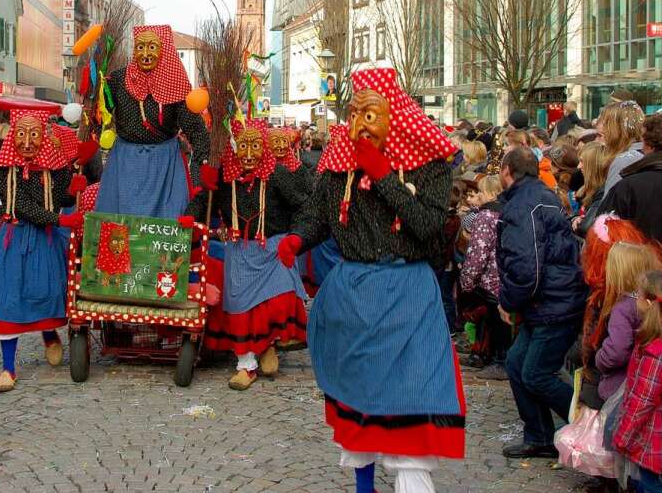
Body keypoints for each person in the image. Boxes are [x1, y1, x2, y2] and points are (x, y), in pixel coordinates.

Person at [292, 68, 462, 493]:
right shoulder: (337, 163)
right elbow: (320, 216)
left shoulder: (431, 167)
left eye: (369, 115)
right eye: (353, 114)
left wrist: (383, 173)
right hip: (354, 295)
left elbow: (426, 225)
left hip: (408, 295)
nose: (358, 126)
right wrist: (296, 238)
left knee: (412, 403)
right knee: (359, 403)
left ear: (395, 117)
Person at [185, 119, 309, 389]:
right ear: (234, 147)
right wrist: (188, 216)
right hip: (240, 251)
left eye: (255, 146)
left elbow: (303, 205)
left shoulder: (276, 175)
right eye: (244, 146)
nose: (250, 154)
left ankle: (269, 345)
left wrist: (296, 236)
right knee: (241, 309)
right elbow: (204, 200)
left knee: (278, 298)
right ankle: (245, 365)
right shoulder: (225, 176)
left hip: (272, 248)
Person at [497, 146, 587, 458]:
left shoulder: (524, 204)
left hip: (553, 304)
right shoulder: (543, 195)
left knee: (535, 372)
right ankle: (539, 435)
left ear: (508, 171)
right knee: (517, 363)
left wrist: (508, 301)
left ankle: (587, 425)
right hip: (548, 301)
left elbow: (526, 267)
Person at [0, 110, 74, 393]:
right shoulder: (6, 169)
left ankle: (49, 334)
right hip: (15, 236)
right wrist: (59, 220)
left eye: (34, 134)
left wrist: (71, 172)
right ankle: (7, 368)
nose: (27, 142)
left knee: (46, 291)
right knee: (9, 296)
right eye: (22, 134)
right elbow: (20, 205)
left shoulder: (52, 166)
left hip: (44, 240)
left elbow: (61, 196)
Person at [94, 25, 209, 218]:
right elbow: (98, 115)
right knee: (118, 227)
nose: (146, 54)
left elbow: (195, 129)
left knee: (167, 220)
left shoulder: (175, 83)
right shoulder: (117, 80)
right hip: (125, 163)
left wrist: (204, 166)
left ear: (163, 50)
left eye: (152, 47)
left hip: (165, 164)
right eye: (140, 47)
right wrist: (87, 146)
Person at [613, 269, 662, 492]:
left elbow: (642, 400)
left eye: (638, 295)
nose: (635, 299)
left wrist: (622, 437)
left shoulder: (654, 352)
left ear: (650, 303)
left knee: (649, 485)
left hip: (654, 441)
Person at [457, 175, 510, 377]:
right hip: (505, 276)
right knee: (494, 321)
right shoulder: (507, 212)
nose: (478, 195)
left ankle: (497, 360)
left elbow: (478, 252)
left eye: (480, 191)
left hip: (489, 278)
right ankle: (485, 355)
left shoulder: (485, 216)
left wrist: (467, 280)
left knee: (493, 322)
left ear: (490, 193)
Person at [594, 243, 661, 402]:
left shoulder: (623, 309)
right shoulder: (652, 301)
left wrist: (600, 358)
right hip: (646, 381)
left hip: (619, 388)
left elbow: (616, 351)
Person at [600, 111, 662, 246]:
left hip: (639, 262)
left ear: (648, 144)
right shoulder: (630, 184)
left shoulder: (630, 186)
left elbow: (604, 231)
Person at [599, 100, 645, 196]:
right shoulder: (645, 154)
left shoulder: (625, 160)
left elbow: (610, 208)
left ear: (618, 128)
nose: (602, 130)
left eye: (606, 124)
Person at [573, 141, 610, 238]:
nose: (578, 166)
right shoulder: (588, 189)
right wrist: (575, 219)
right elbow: (578, 215)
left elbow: (585, 228)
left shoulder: (603, 191)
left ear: (593, 165)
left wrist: (578, 223)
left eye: (582, 161)